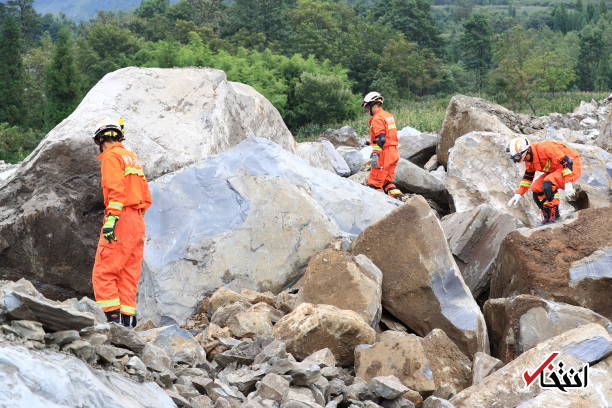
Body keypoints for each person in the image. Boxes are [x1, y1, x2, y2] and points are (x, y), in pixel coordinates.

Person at [91, 117, 152, 327]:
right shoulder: (132, 158)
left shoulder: (111, 157)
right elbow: (146, 196)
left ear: (100, 140)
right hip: (137, 220)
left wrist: (112, 220)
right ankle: (128, 322)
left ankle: (111, 322)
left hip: (121, 218)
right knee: (128, 273)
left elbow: (115, 189)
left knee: (104, 271)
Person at [506, 137, 581, 224]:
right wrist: (519, 193)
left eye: (524, 158)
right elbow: (528, 176)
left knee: (548, 184)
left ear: (527, 150)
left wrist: (568, 184)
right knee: (536, 189)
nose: (525, 161)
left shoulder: (545, 148)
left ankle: (555, 216)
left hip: (571, 166)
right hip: (557, 169)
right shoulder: (530, 157)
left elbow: (567, 161)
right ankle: (547, 215)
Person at [362, 92, 401, 198]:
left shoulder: (377, 118)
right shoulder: (388, 116)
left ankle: (378, 207)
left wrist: (376, 154)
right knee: (387, 181)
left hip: (384, 154)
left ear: (373, 105)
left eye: (368, 107)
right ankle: (397, 201)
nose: (368, 110)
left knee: (374, 183)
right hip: (394, 152)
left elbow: (381, 138)